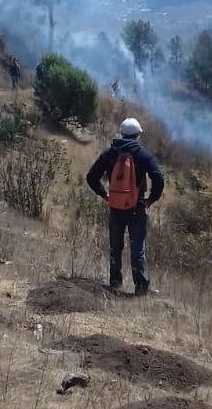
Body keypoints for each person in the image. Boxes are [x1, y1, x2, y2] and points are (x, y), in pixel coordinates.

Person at [86, 118, 165, 296]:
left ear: (122, 133)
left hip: (115, 208)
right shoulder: (143, 154)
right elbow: (158, 178)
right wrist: (152, 198)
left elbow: (91, 176)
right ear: (137, 135)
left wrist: (104, 194)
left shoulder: (109, 154)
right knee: (137, 248)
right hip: (136, 208)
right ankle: (141, 288)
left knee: (115, 246)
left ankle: (115, 283)